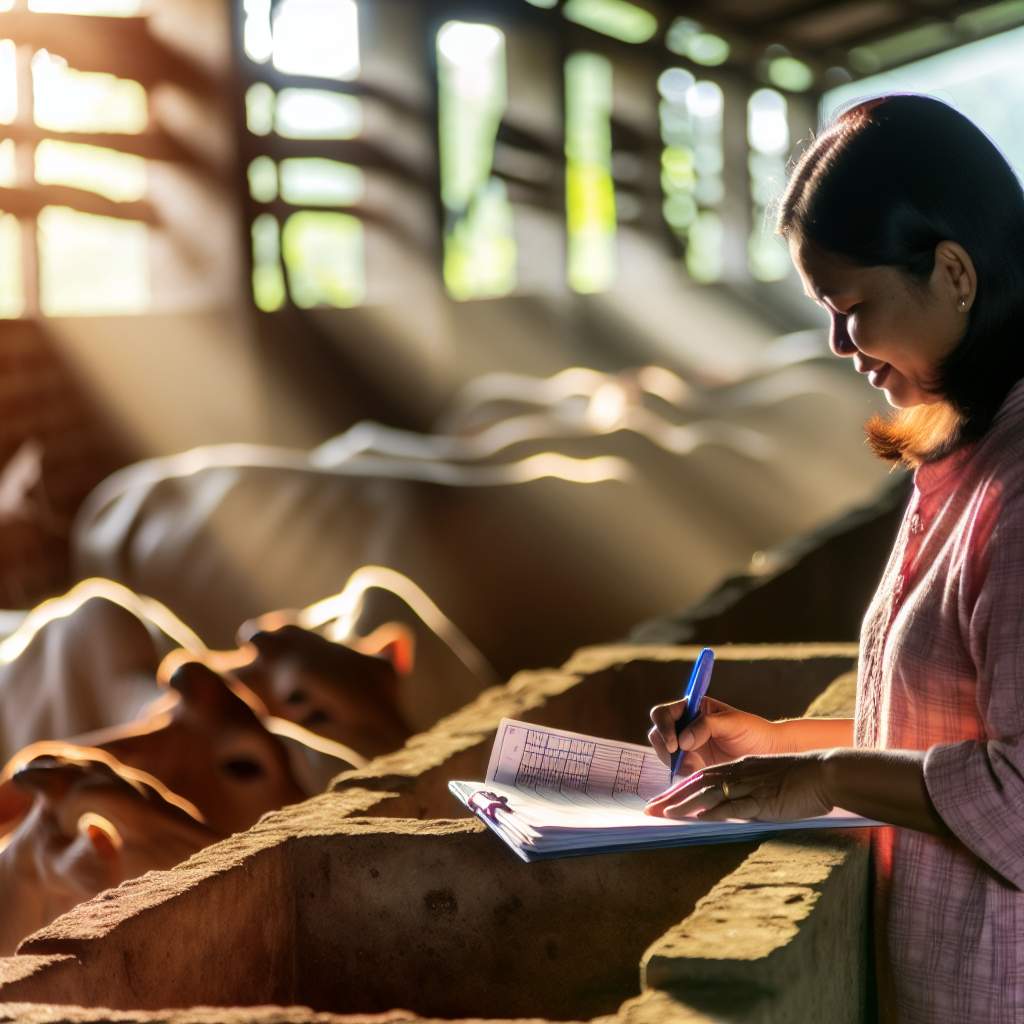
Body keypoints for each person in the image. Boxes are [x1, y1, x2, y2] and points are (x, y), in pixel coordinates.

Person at [646, 94, 1024, 1023]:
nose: (838, 345)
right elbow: (948, 736)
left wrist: (826, 778)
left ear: (952, 273)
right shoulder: (962, 455)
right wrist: (778, 745)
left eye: (850, 307)